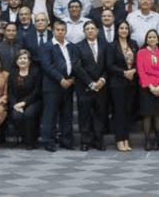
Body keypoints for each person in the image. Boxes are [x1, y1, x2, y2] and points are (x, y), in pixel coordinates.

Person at [39, 20, 77, 151]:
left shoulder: (71, 46)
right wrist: (61, 79)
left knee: (67, 114)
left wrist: (72, 79)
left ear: (66, 32)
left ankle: (66, 140)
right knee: (50, 114)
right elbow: (47, 66)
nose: (60, 32)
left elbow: (75, 64)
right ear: (53, 31)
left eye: (62, 30)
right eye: (58, 30)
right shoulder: (46, 46)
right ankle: (48, 141)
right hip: (52, 86)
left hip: (68, 86)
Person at [74, 21, 108, 151]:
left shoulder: (104, 46)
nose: (90, 31)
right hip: (84, 86)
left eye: (92, 28)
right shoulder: (78, 46)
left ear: (97, 31)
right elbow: (77, 67)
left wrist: (102, 80)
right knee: (84, 114)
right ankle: (85, 141)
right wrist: (90, 82)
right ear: (84, 32)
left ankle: (98, 140)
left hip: (101, 86)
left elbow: (107, 65)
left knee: (100, 114)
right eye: (87, 29)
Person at [106, 21, 138, 152]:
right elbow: (109, 65)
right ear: (117, 30)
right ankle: (119, 139)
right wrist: (124, 72)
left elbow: (139, 61)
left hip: (131, 83)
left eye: (126, 28)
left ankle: (126, 138)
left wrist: (133, 70)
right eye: (121, 28)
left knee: (128, 112)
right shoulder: (112, 45)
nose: (124, 30)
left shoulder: (134, 44)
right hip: (117, 83)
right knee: (119, 112)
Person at [136, 28, 159, 150]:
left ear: (158, 39)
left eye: (154, 37)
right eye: (150, 37)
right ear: (146, 40)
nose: (152, 39)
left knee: (158, 115)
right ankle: (147, 140)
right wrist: (151, 87)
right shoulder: (141, 52)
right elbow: (141, 71)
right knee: (147, 115)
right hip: (146, 88)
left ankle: (158, 139)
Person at [8, 49, 43, 150]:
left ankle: (31, 142)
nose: (22, 60)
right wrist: (15, 104)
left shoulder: (36, 72)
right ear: (16, 61)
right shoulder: (13, 73)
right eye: (20, 58)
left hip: (33, 101)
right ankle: (25, 138)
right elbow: (10, 91)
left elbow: (37, 91)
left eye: (25, 58)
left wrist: (24, 103)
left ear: (29, 60)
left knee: (29, 114)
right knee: (16, 116)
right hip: (17, 102)